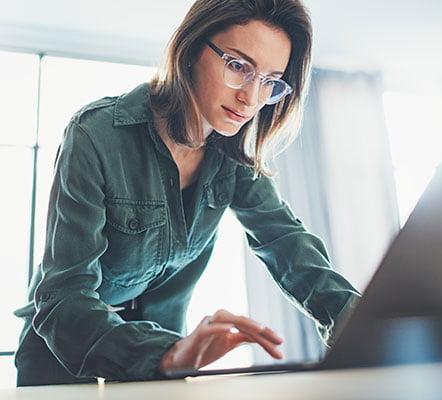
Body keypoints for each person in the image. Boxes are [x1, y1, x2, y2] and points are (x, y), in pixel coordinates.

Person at [14, 0, 360, 386]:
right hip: (63, 347)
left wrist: (362, 324)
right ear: (192, 49)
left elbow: (286, 242)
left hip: (162, 351)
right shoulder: (95, 135)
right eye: (238, 67)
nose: (251, 98)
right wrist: (167, 354)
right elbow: (63, 294)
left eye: (269, 81)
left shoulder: (233, 160)